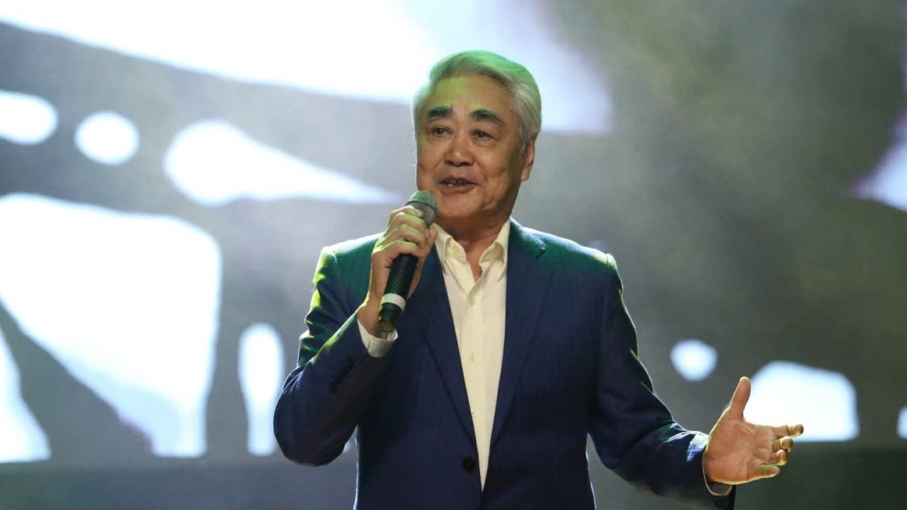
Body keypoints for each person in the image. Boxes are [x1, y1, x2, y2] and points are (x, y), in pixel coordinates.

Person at [273, 50, 803, 510]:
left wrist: (705, 461)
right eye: (439, 131)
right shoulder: (354, 270)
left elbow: (635, 438)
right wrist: (372, 317)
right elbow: (303, 439)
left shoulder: (583, 282)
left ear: (525, 156)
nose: (456, 153)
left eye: (482, 133)